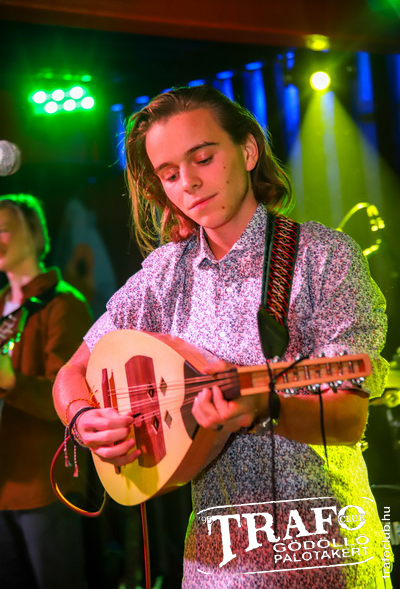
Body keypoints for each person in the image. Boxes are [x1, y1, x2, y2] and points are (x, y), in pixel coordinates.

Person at [53, 86, 392, 588]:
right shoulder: (165, 274)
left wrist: (266, 408)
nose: (188, 183)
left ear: (248, 150)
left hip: (321, 548)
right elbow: (73, 371)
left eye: (203, 158)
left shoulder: (323, 257)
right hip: (215, 561)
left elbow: (347, 418)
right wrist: (83, 419)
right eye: (169, 174)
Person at [0, 194, 92, 589]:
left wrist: (12, 383)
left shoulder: (63, 304)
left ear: (35, 235)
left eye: (4, 229)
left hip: (44, 486)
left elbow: (71, 401)